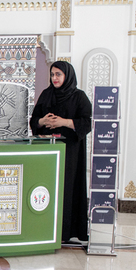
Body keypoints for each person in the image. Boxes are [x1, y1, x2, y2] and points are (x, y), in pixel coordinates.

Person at [29, 61, 92, 243]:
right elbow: (34, 120)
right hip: (47, 151)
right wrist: (43, 121)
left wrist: (63, 122)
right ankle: (45, 228)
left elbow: (87, 122)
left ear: (67, 75)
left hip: (70, 152)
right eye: (52, 75)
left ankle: (65, 232)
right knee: (47, 187)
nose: (54, 78)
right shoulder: (46, 94)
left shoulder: (79, 97)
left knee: (68, 188)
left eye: (58, 74)